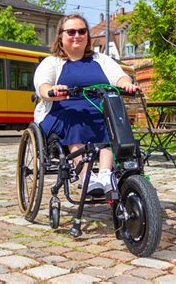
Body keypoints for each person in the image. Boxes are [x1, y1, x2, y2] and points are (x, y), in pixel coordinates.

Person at [33, 13, 138, 194]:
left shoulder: (101, 60)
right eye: (71, 31)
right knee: (74, 120)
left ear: (87, 36)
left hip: (96, 110)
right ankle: (85, 177)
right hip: (61, 111)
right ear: (61, 36)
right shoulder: (53, 62)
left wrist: (126, 84)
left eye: (82, 31)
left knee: (112, 121)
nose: (77, 36)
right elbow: (42, 85)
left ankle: (105, 175)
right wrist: (52, 91)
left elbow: (118, 76)